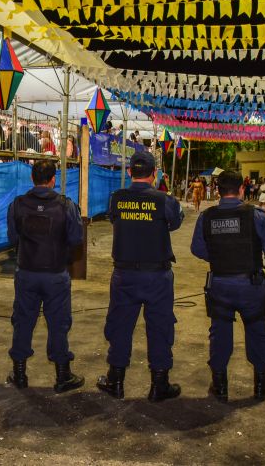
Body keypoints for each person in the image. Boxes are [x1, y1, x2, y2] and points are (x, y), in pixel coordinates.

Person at [96, 151, 184, 402]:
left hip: (124, 275)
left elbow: (114, 219)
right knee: (160, 327)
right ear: (155, 174)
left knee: (120, 326)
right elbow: (175, 222)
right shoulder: (163, 200)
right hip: (157, 276)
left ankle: (116, 381)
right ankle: (159, 385)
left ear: (129, 172)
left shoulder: (117, 198)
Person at [190, 170, 265, 402]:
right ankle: (261, 385)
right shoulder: (257, 216)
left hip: (220, 284)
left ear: (218, 190)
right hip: (251, 285)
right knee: (258, 333)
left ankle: (220, 385)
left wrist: (220, 256)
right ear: (242, 189)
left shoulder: (207, 216)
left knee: (220, 334)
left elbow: (197, 249)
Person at [6, 160, 85, 393]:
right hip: (55, 274)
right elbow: (76, 239)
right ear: (53, 179)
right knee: (58, 324)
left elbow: (12, 238)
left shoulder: (18, 204)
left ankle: (19, 374)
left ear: (32, 178)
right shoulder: (66, 205)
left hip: (26, 272)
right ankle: (63, 376)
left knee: (22, 322)